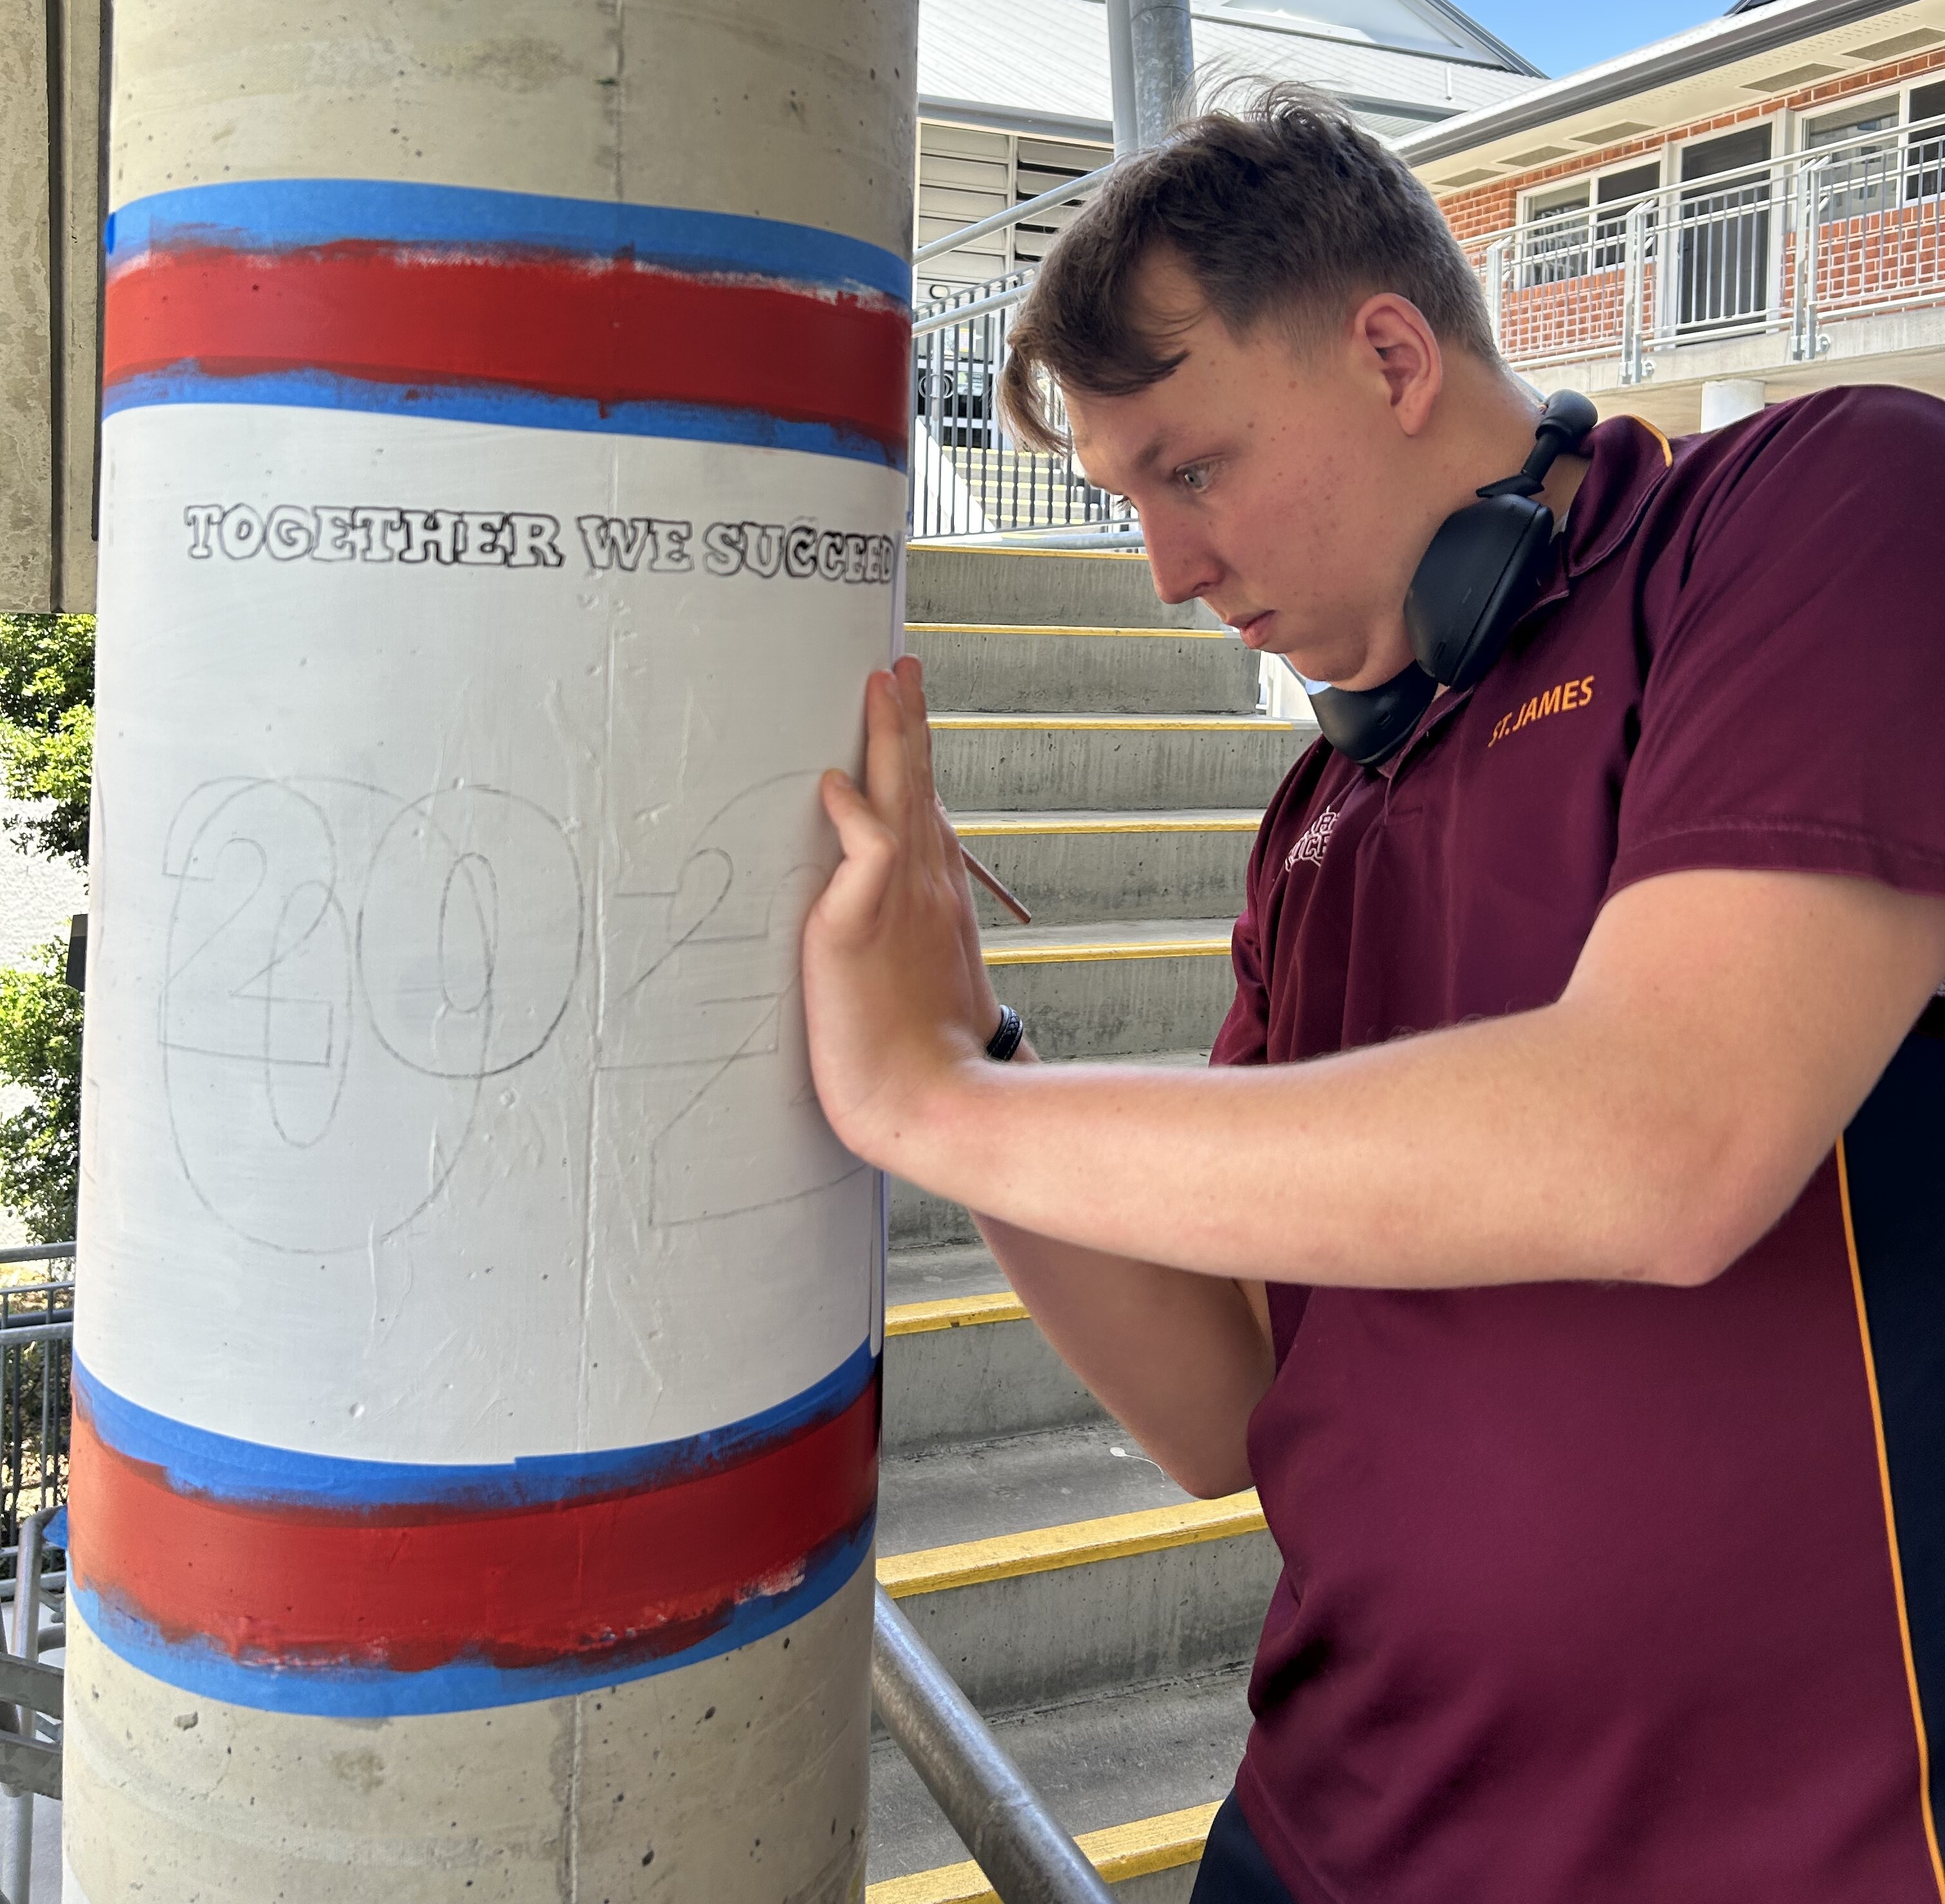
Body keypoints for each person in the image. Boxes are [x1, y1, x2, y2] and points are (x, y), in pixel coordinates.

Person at [802, 85, 1945, 1904]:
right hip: (1319, 1831)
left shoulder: (1823, 511)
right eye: (1130, 504)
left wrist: (936, 1107)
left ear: (1395, 352)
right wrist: (976, 1046)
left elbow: (1671, 1135)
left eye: (1193, 468)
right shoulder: (1315, 814)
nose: (1170, 568)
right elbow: (1219, 1408)